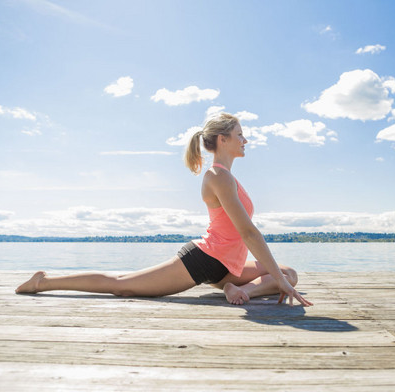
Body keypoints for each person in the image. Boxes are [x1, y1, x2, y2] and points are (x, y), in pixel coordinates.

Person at [16, 113, 312, 307]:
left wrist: (281, 278)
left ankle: (238, 290)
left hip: (229, 267)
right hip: (205, 260)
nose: (244, 140)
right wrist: (279, 280)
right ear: (222, 139)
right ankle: (44, 282)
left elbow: (246, 236)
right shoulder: (217, 176)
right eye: (239, 134)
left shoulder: (230, 178)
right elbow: (247, 231)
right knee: (123, 287)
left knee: (289, 273)